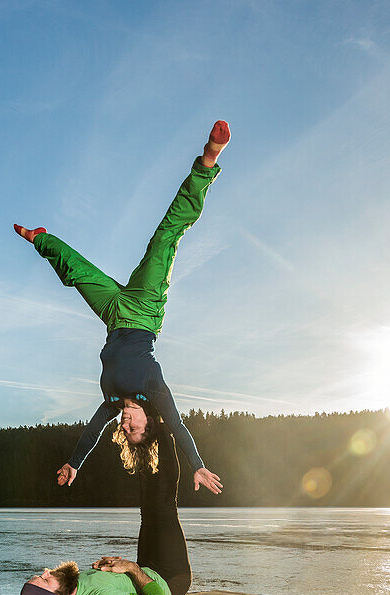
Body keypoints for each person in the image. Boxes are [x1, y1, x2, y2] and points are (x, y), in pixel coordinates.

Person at [14, 121, 230, 496]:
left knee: (78, 274)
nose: (127, 423)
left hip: (115, 316)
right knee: (165, 238)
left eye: (125, 428)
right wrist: (198, 465)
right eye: (135, 427)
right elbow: (179, 426)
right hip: (145, 309)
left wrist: (73, 463)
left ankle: (42, 239)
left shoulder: (111, 402)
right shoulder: (154, 391)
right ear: (149, 421)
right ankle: (207, 166)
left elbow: (93, 431)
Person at [19, 421, 191, 595]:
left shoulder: (73, 587)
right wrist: (130, 567)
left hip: (147, 568)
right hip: (170, 579)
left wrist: (109, 567)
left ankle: (148, 429)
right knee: (163, 508)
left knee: (149, 507)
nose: (47, 571)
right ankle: (161, 427)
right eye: (46, 579)